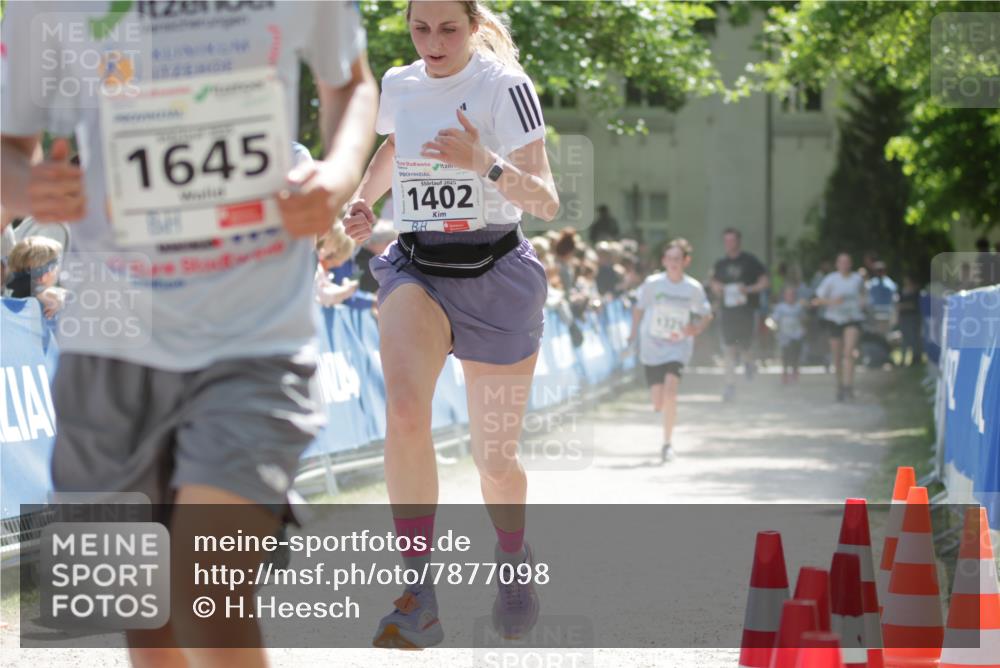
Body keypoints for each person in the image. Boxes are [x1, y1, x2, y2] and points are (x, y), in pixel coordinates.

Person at [1, 3, 376, 665]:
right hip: (109, 350)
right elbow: (9, 146)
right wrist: (30, 185)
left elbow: (349, 82)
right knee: (145, 620)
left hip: (253, 339)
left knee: (206, 590)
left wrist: (339, 174)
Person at [342, 0, 559, 649]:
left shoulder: (506, 88)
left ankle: (514, 562)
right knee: (406, 411)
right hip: (419, 267)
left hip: (497, 274)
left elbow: (546, 200)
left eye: (448, 29)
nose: (432, 42)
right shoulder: (401, 84)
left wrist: (484, 163)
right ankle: (418, 594)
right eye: (420, 28)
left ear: (472, 27)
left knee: (492, 459)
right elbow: (394, 144)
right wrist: (363, 197)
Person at [629, 239, 712, 463]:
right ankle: (664, 413)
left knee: (671, 392)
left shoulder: (692, 288)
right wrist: (633, 333)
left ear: (686, 261)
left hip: (678, 346)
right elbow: (638, 308)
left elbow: (706, 313)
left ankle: (667, 444)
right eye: (669, 259)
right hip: (652, 346)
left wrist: (697, 328)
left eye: (678, 259)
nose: (673, 263)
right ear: (664, 261)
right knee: (658, 402)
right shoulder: (653, 283)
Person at [709, 228, 769, 402]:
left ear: (738, 242)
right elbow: (713, 282)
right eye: (726, 241)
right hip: (728, 313)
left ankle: (749, 363)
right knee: (729, 349)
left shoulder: (750, 261)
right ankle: (730, 386)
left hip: (747, 312)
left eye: (732, 240)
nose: (729, 244)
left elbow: (764, 282)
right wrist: (717, 288)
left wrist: (748, 290)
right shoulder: (720, 264)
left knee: (745, 347)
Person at [813, 253, 867, 401]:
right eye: (841, 262)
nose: (844, 265)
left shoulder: (857, 279)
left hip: (853, 319)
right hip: (834, 319)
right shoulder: (831, 279)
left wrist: (863, 302)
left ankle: (849, 385)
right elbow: (817, 300)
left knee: (848, 353)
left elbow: (864, 294)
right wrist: (832, 302)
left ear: (851, 264)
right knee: (836, 357)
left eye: (847, 262)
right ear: (837, 264)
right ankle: (840, 386)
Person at [5, 235, 68, 318]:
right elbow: (45, 293)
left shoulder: (11, 292)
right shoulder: (45, 302)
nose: (57, 269)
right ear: (42, 276)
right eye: (55, 265)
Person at [315, 224, 360, 307]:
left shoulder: (319, 268)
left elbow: (330, 296)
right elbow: (320, 295)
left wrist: (345, 290)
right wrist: (345, 290)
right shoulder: (314, 263)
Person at [771, 285, 806, 384]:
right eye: (788, 294)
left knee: (795, 354)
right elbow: (774, 320)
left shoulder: (799, 306)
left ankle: (794, 372)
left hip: (797, 334)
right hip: (784, 335)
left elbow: (803, 319)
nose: (790, 296)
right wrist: (774, 329)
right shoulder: (780, 307)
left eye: (792, 294)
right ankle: (785, 374)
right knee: (785, 355)